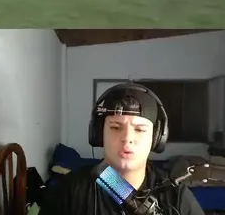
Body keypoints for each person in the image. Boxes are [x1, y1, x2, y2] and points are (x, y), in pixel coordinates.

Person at [39, 82, 204, 214]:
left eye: (139, 130)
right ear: (99, 133)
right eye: (116, 127)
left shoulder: (177, 197)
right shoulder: (69, 191)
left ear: (156, 138)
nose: (127, 138)